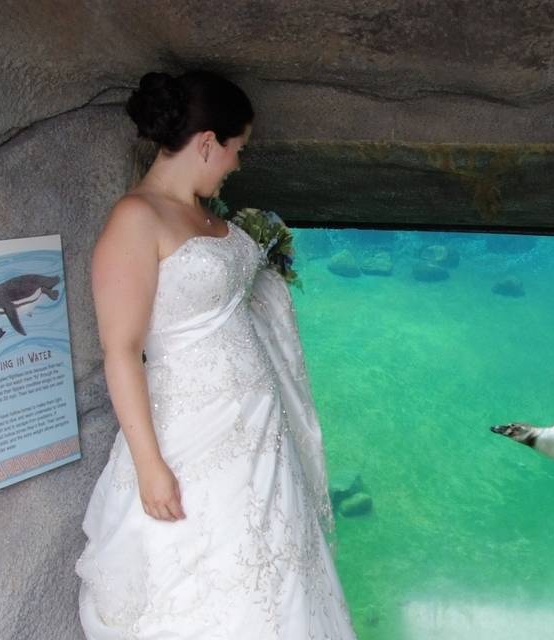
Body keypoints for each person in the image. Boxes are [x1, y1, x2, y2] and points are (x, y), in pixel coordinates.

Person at [75, 70, 355, 639]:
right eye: (236, 150)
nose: (236, 165)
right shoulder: (137, 218)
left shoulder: (209, 215)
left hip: (257, 431)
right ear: (207, 143)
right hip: (190, 436)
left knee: (279, 573)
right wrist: (152, 468)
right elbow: (121, 351)